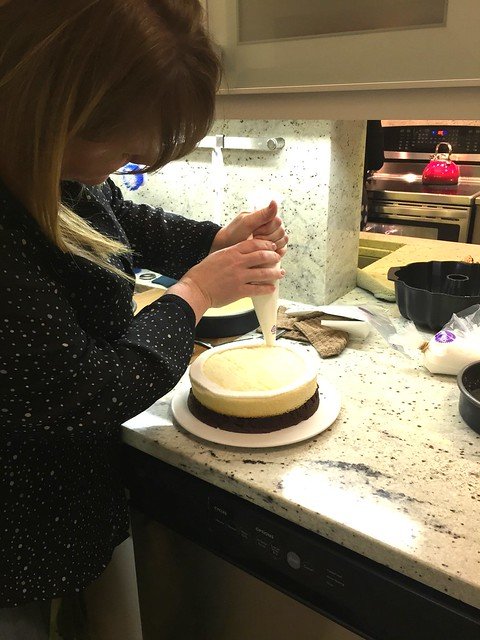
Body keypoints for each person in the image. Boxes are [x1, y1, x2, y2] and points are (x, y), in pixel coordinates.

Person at [0, 0, 288, 636]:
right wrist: (191, 296)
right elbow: (84, 393)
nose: (132, 164)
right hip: (17, 526)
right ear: (50, 109)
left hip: (75, 494)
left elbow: (120, 222)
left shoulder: (45, 167)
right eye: (120, 149)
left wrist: (217, 241)